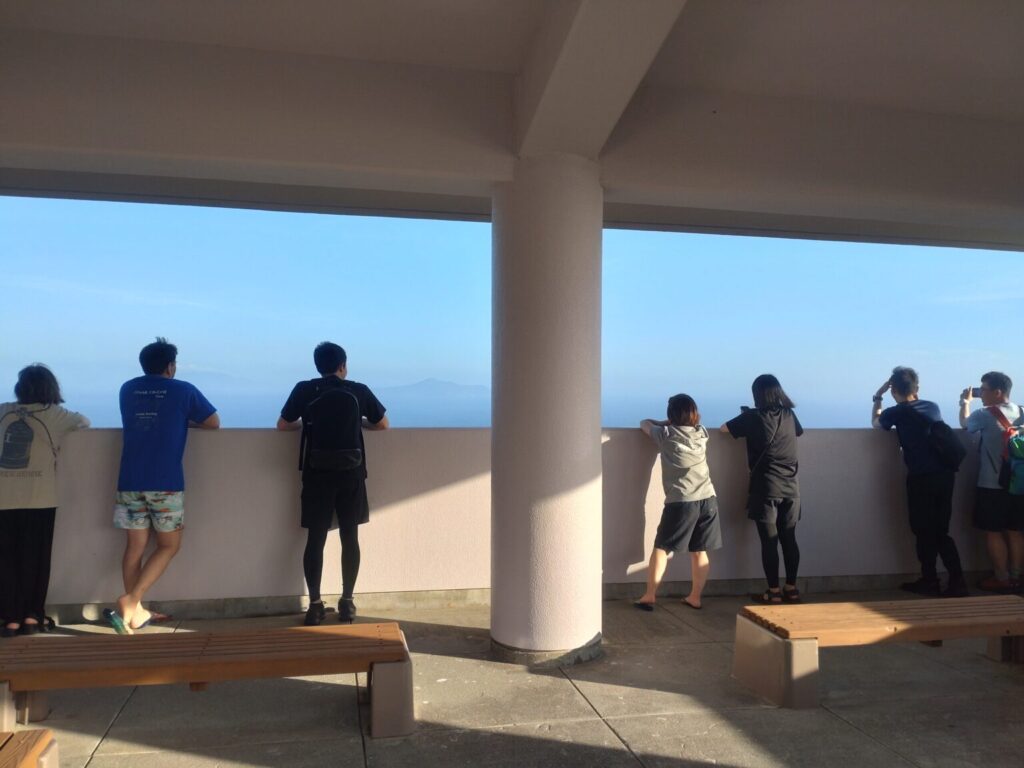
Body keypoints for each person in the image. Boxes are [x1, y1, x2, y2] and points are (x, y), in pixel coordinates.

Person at [108, 338, 219, 634]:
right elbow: (213, 422)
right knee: (170, 545)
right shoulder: (183, 390)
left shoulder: (127, 389)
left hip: (129, 480)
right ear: (170, 366)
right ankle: (131, 600)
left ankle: (135, 614)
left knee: (135, 547)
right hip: (165, 482)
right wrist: (183, 421)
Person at [278, 342, 388, 625]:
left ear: (318, 366)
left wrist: (304, 425)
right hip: (352, 474)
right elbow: (383, 424)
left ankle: (315, 606)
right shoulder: (358, 390)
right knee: (350, 537)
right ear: (343, 366)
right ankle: (347, 603)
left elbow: (283, 424)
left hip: (317, 474)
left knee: (316, 539)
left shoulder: (304, 389)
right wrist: (360, 423)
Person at [0, 365, 89, 637]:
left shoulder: (4, 411)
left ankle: (10, 619)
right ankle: (32, 616)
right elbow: (83, 421)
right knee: (36, 561)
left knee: (6, 560)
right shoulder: (55, 415)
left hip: (3, 499)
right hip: (40, 499)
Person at [872, 367, 967, 597]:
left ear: (893, 390)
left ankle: (930, 580)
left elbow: (876, 423)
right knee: (941, 531)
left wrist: (878, 397)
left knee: (923, 531)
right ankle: (957, 581)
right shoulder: (933, 406)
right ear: (917, 388)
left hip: (921, 478)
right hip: (945, 475)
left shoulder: (897, 412)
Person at [634, 394, 721, 611]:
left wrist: (667, 422)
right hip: (708, 499)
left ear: (671, 415)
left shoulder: (665, 434)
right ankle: (695, 597)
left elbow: (644, 423)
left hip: (682, 501)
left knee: (662, 548)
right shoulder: (702, 433)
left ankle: (650, 595)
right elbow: (695, 424)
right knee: (700, 550)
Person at [721, 374, 803, 604]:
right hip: (792, 487)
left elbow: (724, 429)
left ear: (757, 394)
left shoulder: (752, 417)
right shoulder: (789, 414)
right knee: (789, 539)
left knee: (769, 541)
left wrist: (746, 416)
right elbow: (798, 432)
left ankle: (773, 592)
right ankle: (792, 589)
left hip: (766, 487)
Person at [959, 371, 1024, 592]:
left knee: (993, 532)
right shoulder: (1022, 412)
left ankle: (1002, 578)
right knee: (1015, 532)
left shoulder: (984, 414)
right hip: (1018, 484)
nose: (981, 394)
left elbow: (965, 424)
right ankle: (1016, 577)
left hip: (992, 484)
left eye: (984, 390)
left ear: (998, 392)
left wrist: (965, 403)